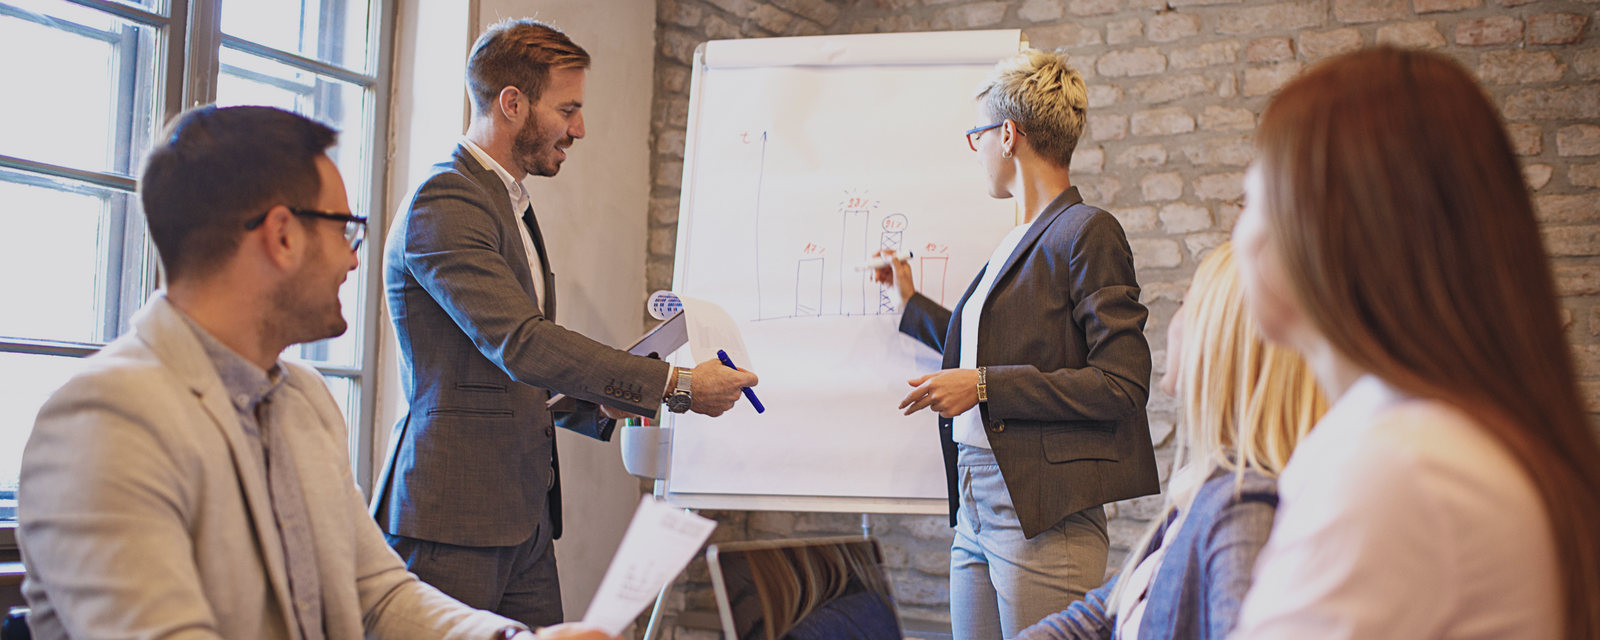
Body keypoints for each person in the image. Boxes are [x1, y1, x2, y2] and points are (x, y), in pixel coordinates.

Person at [17, 105, 611, 640]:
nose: (355, 258)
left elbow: (374, 594)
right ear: (281, 236)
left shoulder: (302, 398)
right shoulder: (106, 420)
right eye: (344, 229)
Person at [374, 18, 758, 629]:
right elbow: (519, 343)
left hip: (523, 514)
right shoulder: (445, 200)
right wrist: (676, 386)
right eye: (568, 109)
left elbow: (503, 371)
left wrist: (593, 403)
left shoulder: (507, 200)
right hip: (454, 518)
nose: (580, 129)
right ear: (512, 103)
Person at [1228, 47, 1600, 640]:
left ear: (1325, 228)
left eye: (1251, 200)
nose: (1238, 237)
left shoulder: (1398, 468)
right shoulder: (1425, 440)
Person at [871, 49, 1160, 640]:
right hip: (976, 505)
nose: (973, 150)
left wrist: (981, 387)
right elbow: (994, 347)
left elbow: (1123, 384)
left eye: (976, 135)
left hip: (1042, 513)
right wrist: (910, 303)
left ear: (1008, 134)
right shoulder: (1017, 240)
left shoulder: (1087, 231)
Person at [1010, 242, 1326, 640]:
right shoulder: (1208, 485)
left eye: (1183, 302)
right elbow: (1104, 611)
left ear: (1219, 336)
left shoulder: (1245, 508)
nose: (1171, 322)